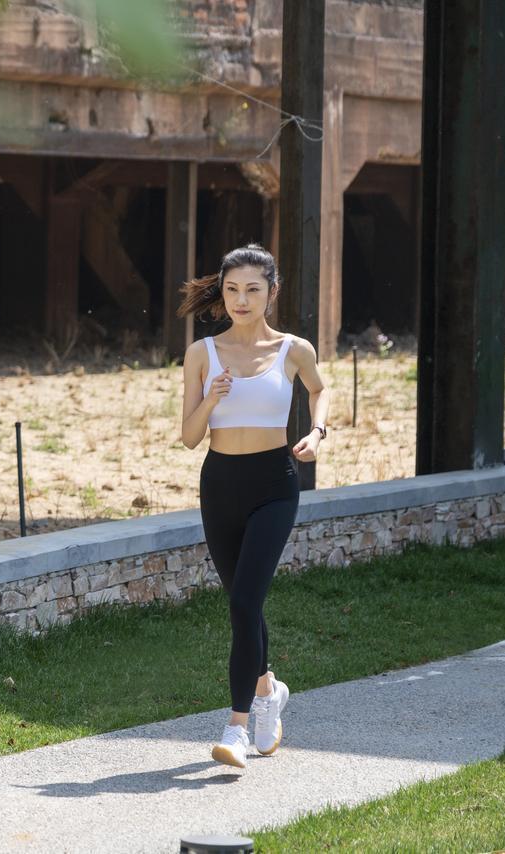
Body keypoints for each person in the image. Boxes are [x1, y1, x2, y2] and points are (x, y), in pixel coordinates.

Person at [177, 244, 331, 770]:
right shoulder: (202, 353)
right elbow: (189, 437)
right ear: (222, 293)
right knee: (244, 605)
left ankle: (236, 728)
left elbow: (319, 389)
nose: (241, 300)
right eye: (232, 289)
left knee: (244, 604)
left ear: (272, 292)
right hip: (220, 484)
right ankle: (268, 690)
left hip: (273, 484)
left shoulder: (293, 349)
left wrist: (317, 432)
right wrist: (211, 398)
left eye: (252, 289)